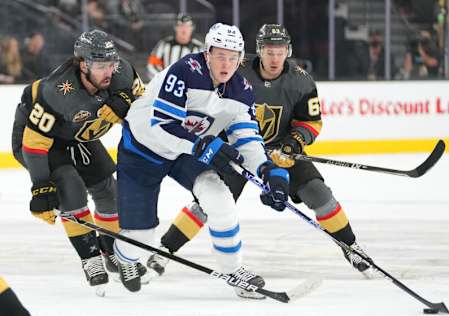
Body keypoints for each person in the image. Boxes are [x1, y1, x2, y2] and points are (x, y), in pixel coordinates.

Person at [157, 24, 375, 278]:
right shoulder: (236, 72)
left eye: (280, 51)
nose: (275, 58)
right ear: (259, 51)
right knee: (207, 203)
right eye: (269, 51)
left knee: (319, 194)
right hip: (236, 150)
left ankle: (352, 247)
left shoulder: (301, 81)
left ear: (288, 51)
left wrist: (294, 142)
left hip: (282, 152)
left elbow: (311, 123)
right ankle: (164, 250)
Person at [113, 23, 290, 298]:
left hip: (185, 152)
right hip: (142, 150)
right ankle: (122, 259)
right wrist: (203, 147)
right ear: (206, 53)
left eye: (233, 57)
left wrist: (268, 170)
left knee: (219, 197)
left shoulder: (241, 89)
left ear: (241, 58)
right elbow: (164, 125)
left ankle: (234, 272)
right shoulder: (185, 71)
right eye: (220, 55)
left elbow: (247, 138)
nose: (226, 63)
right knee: (140, 236)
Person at [10, 29, 146, 291]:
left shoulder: (123, 74)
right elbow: (35, 143)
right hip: (36, 137)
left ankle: (110, 249)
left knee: (109, 190)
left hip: (75, 133)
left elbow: (144, 103)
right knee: (70, 186)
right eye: (100, 65)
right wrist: (40, 186)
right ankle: (90, 257)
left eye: (111, 63)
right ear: (82, 64)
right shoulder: (57, 91)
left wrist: (128, 100)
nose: (109, 71)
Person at [146, 13, 203, 80]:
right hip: (165, 86)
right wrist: (163, 79)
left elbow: (204, 71)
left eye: (187, 26)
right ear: (175, 27)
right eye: (181, 26)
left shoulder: (199, 48)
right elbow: (152, 65)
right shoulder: (164, 44)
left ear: (192, 28)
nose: (184, 30)